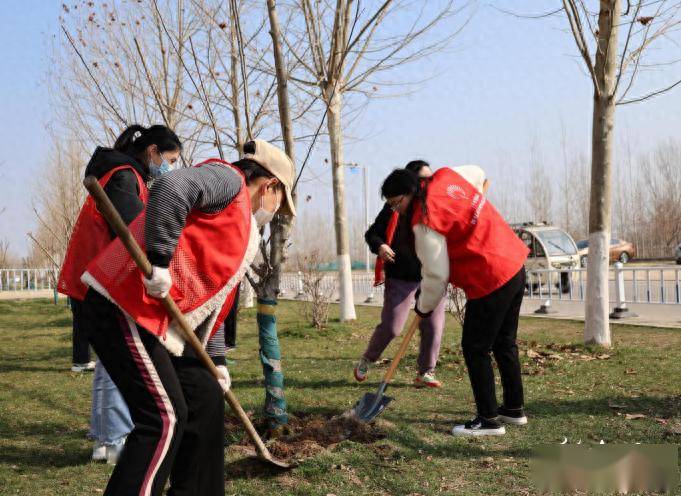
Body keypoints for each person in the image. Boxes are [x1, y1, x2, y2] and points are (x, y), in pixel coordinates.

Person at [79, 139, 295, 495]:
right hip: (124, 304)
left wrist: (218, 360)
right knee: (164, 418)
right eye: (279, 203)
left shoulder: (241, 223)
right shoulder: (227, 181)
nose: (275, 210)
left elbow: (214, 300)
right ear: (271, 185)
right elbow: (170, 187)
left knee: (206, 398)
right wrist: (160, 259)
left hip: (157, 319)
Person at [57, 124, 183, 462]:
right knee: (118, 361)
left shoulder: (127, 175)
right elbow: (135, 229)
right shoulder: (124, 177)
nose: (169, 167)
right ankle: (112, 438)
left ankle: (108, 438)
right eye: (169, 159)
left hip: (102, 276)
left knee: (110, 362)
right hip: (102, 278)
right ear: (154, 151)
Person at [380, 165, 529, 437]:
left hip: (489, 274)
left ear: (409, 193)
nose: (395, 211)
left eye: (395, 203)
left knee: (475, 347)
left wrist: (423, 306)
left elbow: (436, 275)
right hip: (513, 261)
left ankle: (488, 420)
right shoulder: (446, 176)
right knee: (504, 342)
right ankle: (513, 409)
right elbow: (477, 172)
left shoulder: (424, 220)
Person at [355, 160, 446, 388]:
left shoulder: (433, 205)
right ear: (412, 185)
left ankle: (426, 371)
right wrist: (381, 246)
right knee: (392, 327)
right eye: (424, 180)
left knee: (433, 326)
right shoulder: (393, 207)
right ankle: (368, 358)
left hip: (431, 277)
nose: (428, 184)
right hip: (401, 277)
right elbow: (373, 234)